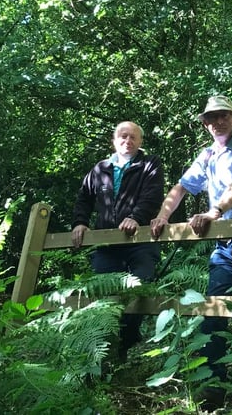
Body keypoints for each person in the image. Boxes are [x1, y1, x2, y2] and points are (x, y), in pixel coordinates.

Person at [149, 95, 232, 411]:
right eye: (211, 118)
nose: (218, 122)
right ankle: (214, 386)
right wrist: (163, 215)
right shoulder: (206, 156)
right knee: (213, 311)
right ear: (205, 124)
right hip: (224, 245)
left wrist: (215, 210)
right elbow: (180, 188)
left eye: (223, 116)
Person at [71, 121, 165, 361]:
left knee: (139, 289)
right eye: (123, 136)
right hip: (106, 246)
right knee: (104, 296)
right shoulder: (100, 168)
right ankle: (101, 356)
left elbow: (152, 196)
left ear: (140, 141)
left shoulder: (149, 164)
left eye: (133, 137)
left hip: (140, 242)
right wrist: (80, 222)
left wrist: (136, 217)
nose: (128, 141)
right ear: (114, 141)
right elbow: (84, 197)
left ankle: (126, 344)